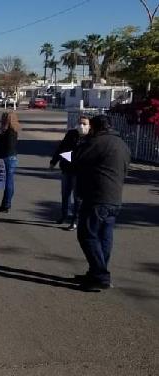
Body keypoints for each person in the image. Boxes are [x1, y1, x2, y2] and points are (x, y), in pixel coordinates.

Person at [71, 115, 130, 291]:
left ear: (94, 128)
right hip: (114, 197)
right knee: (104, 236)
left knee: (87, 235)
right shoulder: (121, 144)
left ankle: (100, 275)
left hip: (97, 196)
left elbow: (77, 159)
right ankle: (96, 271)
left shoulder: (97, 142)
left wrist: (84, 141)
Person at [50, 115, 90, 231]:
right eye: (80, 123)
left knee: (77, 198)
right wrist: (54, 161)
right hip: (67, 169)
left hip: (80, 172)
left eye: (84, 124)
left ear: (89, 126)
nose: (82, 126)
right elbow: (61, 148)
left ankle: (75, 221)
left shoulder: (90, 138)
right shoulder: (72, 134)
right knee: (65, 194)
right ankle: (64, 215)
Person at [0, 112, 20, 213]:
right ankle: (6, 204)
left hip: (8, 157)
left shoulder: (9, 132)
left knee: (8, 183)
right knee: (10, 182)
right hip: (12, 157)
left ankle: (6, 205)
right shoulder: (13, 130)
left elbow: (8, 147)